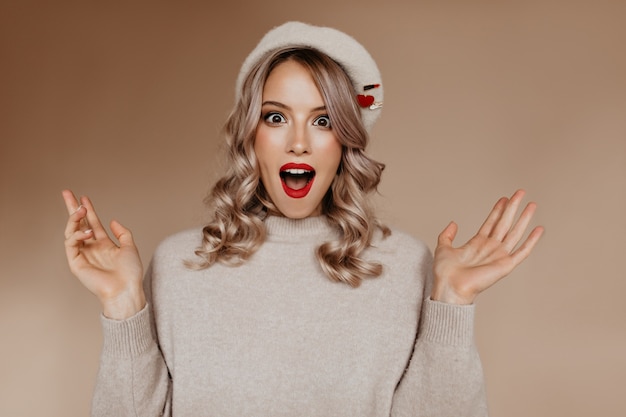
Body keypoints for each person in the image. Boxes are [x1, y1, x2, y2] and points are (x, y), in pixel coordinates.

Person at [62, 21, 543, 417]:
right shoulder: (179, 264)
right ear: (250, 133)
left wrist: (451, 303)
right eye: (276, 117)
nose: (298, 142)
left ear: (346, 139)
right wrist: (123, 303)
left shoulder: (404, 265)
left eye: (323, 120)